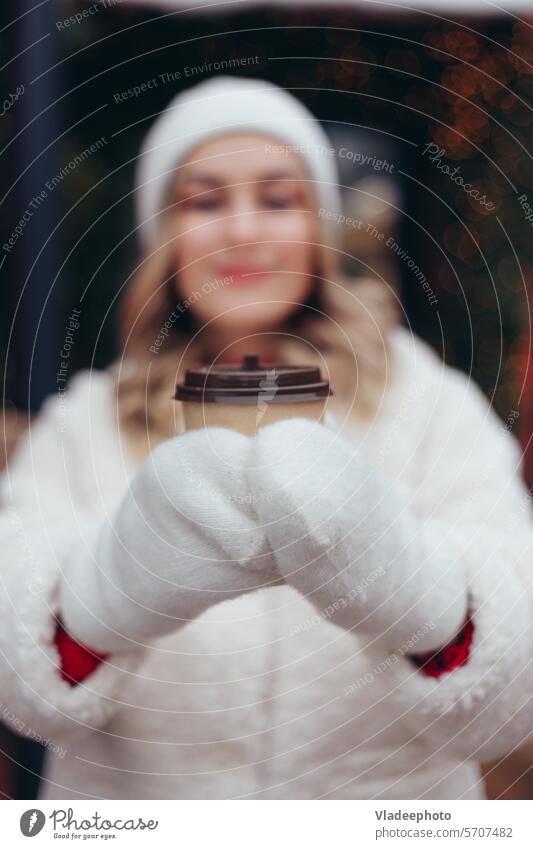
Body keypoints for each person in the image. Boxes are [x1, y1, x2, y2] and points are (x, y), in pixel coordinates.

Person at [1, 77, 531, 801]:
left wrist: (418, 593)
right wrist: (104, 593)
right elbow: (13, 669)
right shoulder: (86, 423)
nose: (242, 230)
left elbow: (516, 684)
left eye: (277, 198)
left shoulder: (429, 407)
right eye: (207, 200)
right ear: (164, 235)